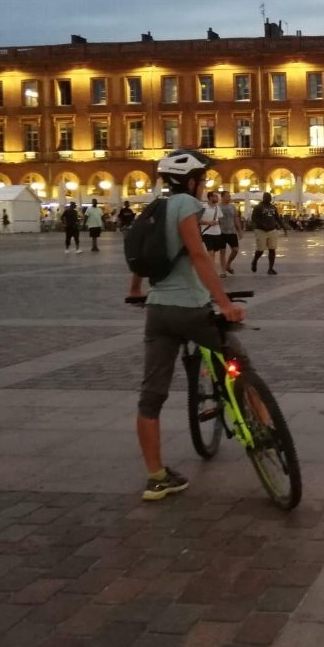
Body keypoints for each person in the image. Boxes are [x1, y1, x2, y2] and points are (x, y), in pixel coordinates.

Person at [126, 150, 247, 501]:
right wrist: (225, 304)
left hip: (158, 311)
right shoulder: (185, 206)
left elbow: (145, 253)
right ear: (192, 181)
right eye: (203, 180)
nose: (205, 185)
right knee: (240, 365)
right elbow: (197, 254)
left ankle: (156, 477)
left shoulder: (153, 209)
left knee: (151, 398)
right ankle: (266, 430)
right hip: (191, 310)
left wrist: (135, 289)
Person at [250, 196, 284, 275]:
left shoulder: (273, 207)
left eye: (269, 197)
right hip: (260, 230)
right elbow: (254, 218)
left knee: (272, 249)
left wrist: (283, 227)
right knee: (261, 250)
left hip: (272, 230)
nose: (269, 199)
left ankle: (270, 268)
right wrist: (262, 225)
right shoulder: (258, 207)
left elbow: (277, 218)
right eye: (267, 197)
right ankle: (254, 261)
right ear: (263, 198)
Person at [199, 190, 225, 275]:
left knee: (214, 252)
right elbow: (197, 220)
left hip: (217, 233)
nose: (217, 198)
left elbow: (220, 219)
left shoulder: (218, 207)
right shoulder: (203, 207)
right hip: (207, 233)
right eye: (215, 196)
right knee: (211, 252)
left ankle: (210, 269)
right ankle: (211, 272)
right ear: (210, 197)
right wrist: (208, 223)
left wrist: (218, 222)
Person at [218, 190, 242, 273]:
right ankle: (223, 271)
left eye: (229, 196)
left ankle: (228, 264)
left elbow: (236, 218)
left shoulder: (232, 207)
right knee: (222, 252)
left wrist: (239, 230)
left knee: (235, 250)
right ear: (222, 197)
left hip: (232, 231)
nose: (229, 198)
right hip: (221, 232)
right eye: (227, 196)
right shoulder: (218, 207)